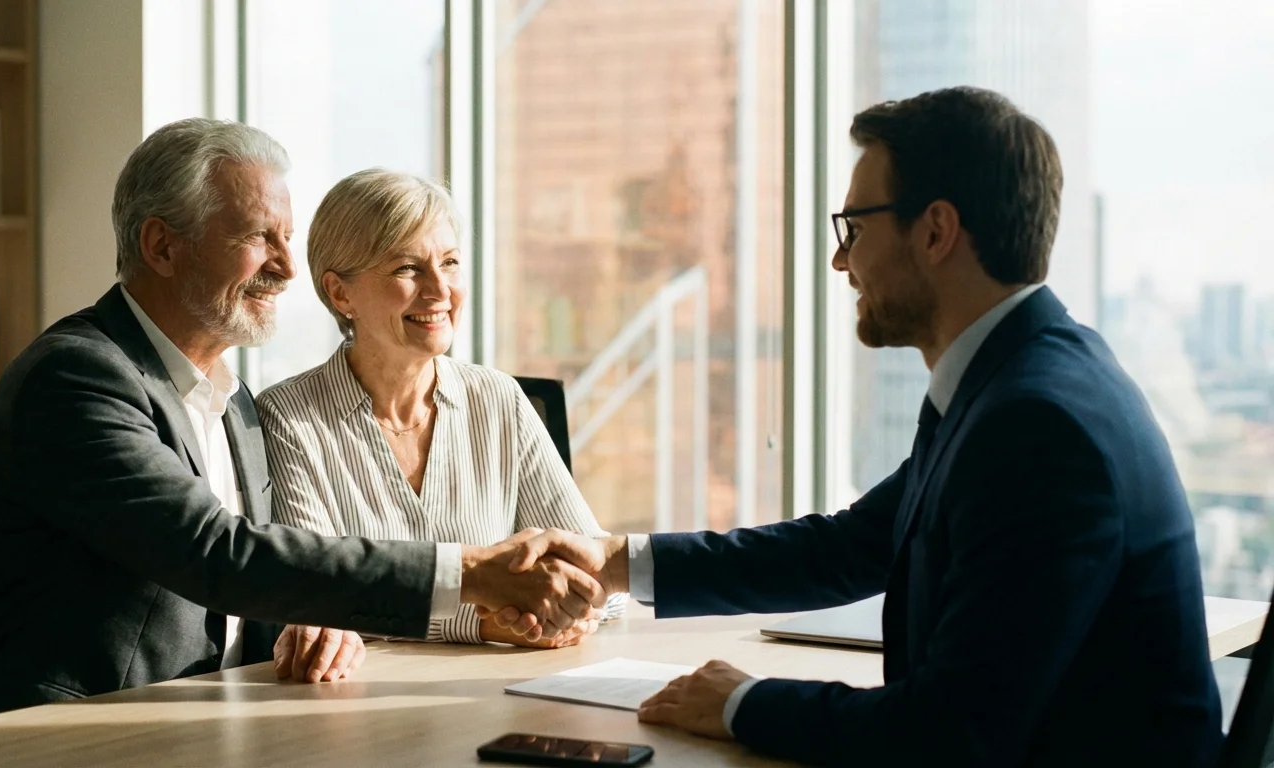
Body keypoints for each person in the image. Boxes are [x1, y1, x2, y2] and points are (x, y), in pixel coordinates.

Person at [494, 87, 1223, 767]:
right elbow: (850, 547)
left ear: (936, 230)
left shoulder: (1038, 425)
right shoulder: (1017, 379)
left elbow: (949, 734)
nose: (841, 260)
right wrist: (613, 558)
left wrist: (743, 702)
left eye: (855, 227)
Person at [0, 118, 603, 716]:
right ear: (162, 246)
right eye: (259, 238)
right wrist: (469, 577)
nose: (289, 269)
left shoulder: (228, 398)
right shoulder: (77, 378)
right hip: (88, 726)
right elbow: (217, 556)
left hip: (230, 709)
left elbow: (267, 581)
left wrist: (319, 623)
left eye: (287, 238)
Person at [255, 169, 627, 653]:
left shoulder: (500, 400)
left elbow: (598, 576)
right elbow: (318, 600)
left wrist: (559, 605)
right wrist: (479, 621)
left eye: (449, 263)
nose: (439, 290)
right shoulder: (287, 418)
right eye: (407, 268)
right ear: (341, 293)